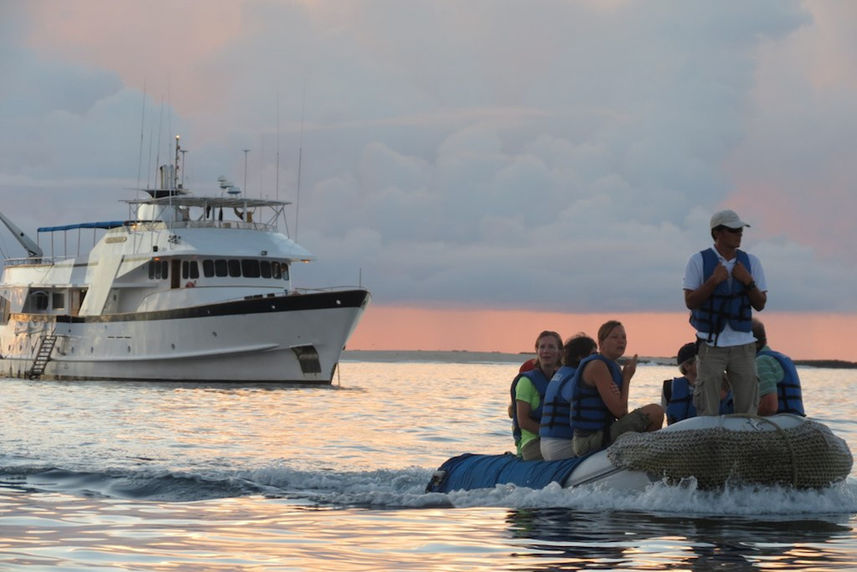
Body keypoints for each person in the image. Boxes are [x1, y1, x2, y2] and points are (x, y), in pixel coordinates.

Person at [683, 209, 767, 416]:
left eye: (740, 230)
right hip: (710, 345)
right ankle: (707, 442)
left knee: (748, 407)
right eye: (734, 230)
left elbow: (760, 303)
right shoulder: (698, 261)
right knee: (707, 407)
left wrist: (747, 281)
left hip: (744, 345)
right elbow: (690, 301)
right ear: (718, 233)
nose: (739, 233)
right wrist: (713, 281)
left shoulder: (752, 262)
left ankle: (744, 442)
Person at [570, 320, 663, 456]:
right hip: (587, 441)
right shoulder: (597, 366)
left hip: (603, 432)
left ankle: (641, 456)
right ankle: (647, 458)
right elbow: (620, 411)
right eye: (614, 337)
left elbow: (622, 413)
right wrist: (627, 378)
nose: (621, 341)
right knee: (655, 412)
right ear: (601, 343)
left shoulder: (612, 367)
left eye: (624, 337)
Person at [539, 334, 598, 460]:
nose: (597, 359)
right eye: (593, 354)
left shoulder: (561, 374)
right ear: (580, 356)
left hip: (547, 443)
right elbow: (577, 399)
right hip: (561, 444)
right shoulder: (573, 379)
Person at [509, 330, 563, 460]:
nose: (546, 351)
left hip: (555, 438)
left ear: (560, 352)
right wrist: (551, 434)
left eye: (551, 347)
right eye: (542, 347)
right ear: (537, 351)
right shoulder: (526, 382)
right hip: (532, 443)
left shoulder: (561, 380)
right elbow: (523, 421)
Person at [662, 341, 733, 425]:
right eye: (702, 359)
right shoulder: (670, 388)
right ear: (687, 366)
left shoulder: (726, 383)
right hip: (681, 435)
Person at [752, 318, 805, 416]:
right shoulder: (778, 357)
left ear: (755, 344)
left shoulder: (762, 362)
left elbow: (769, 407)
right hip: (795, 418)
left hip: (781, 421)